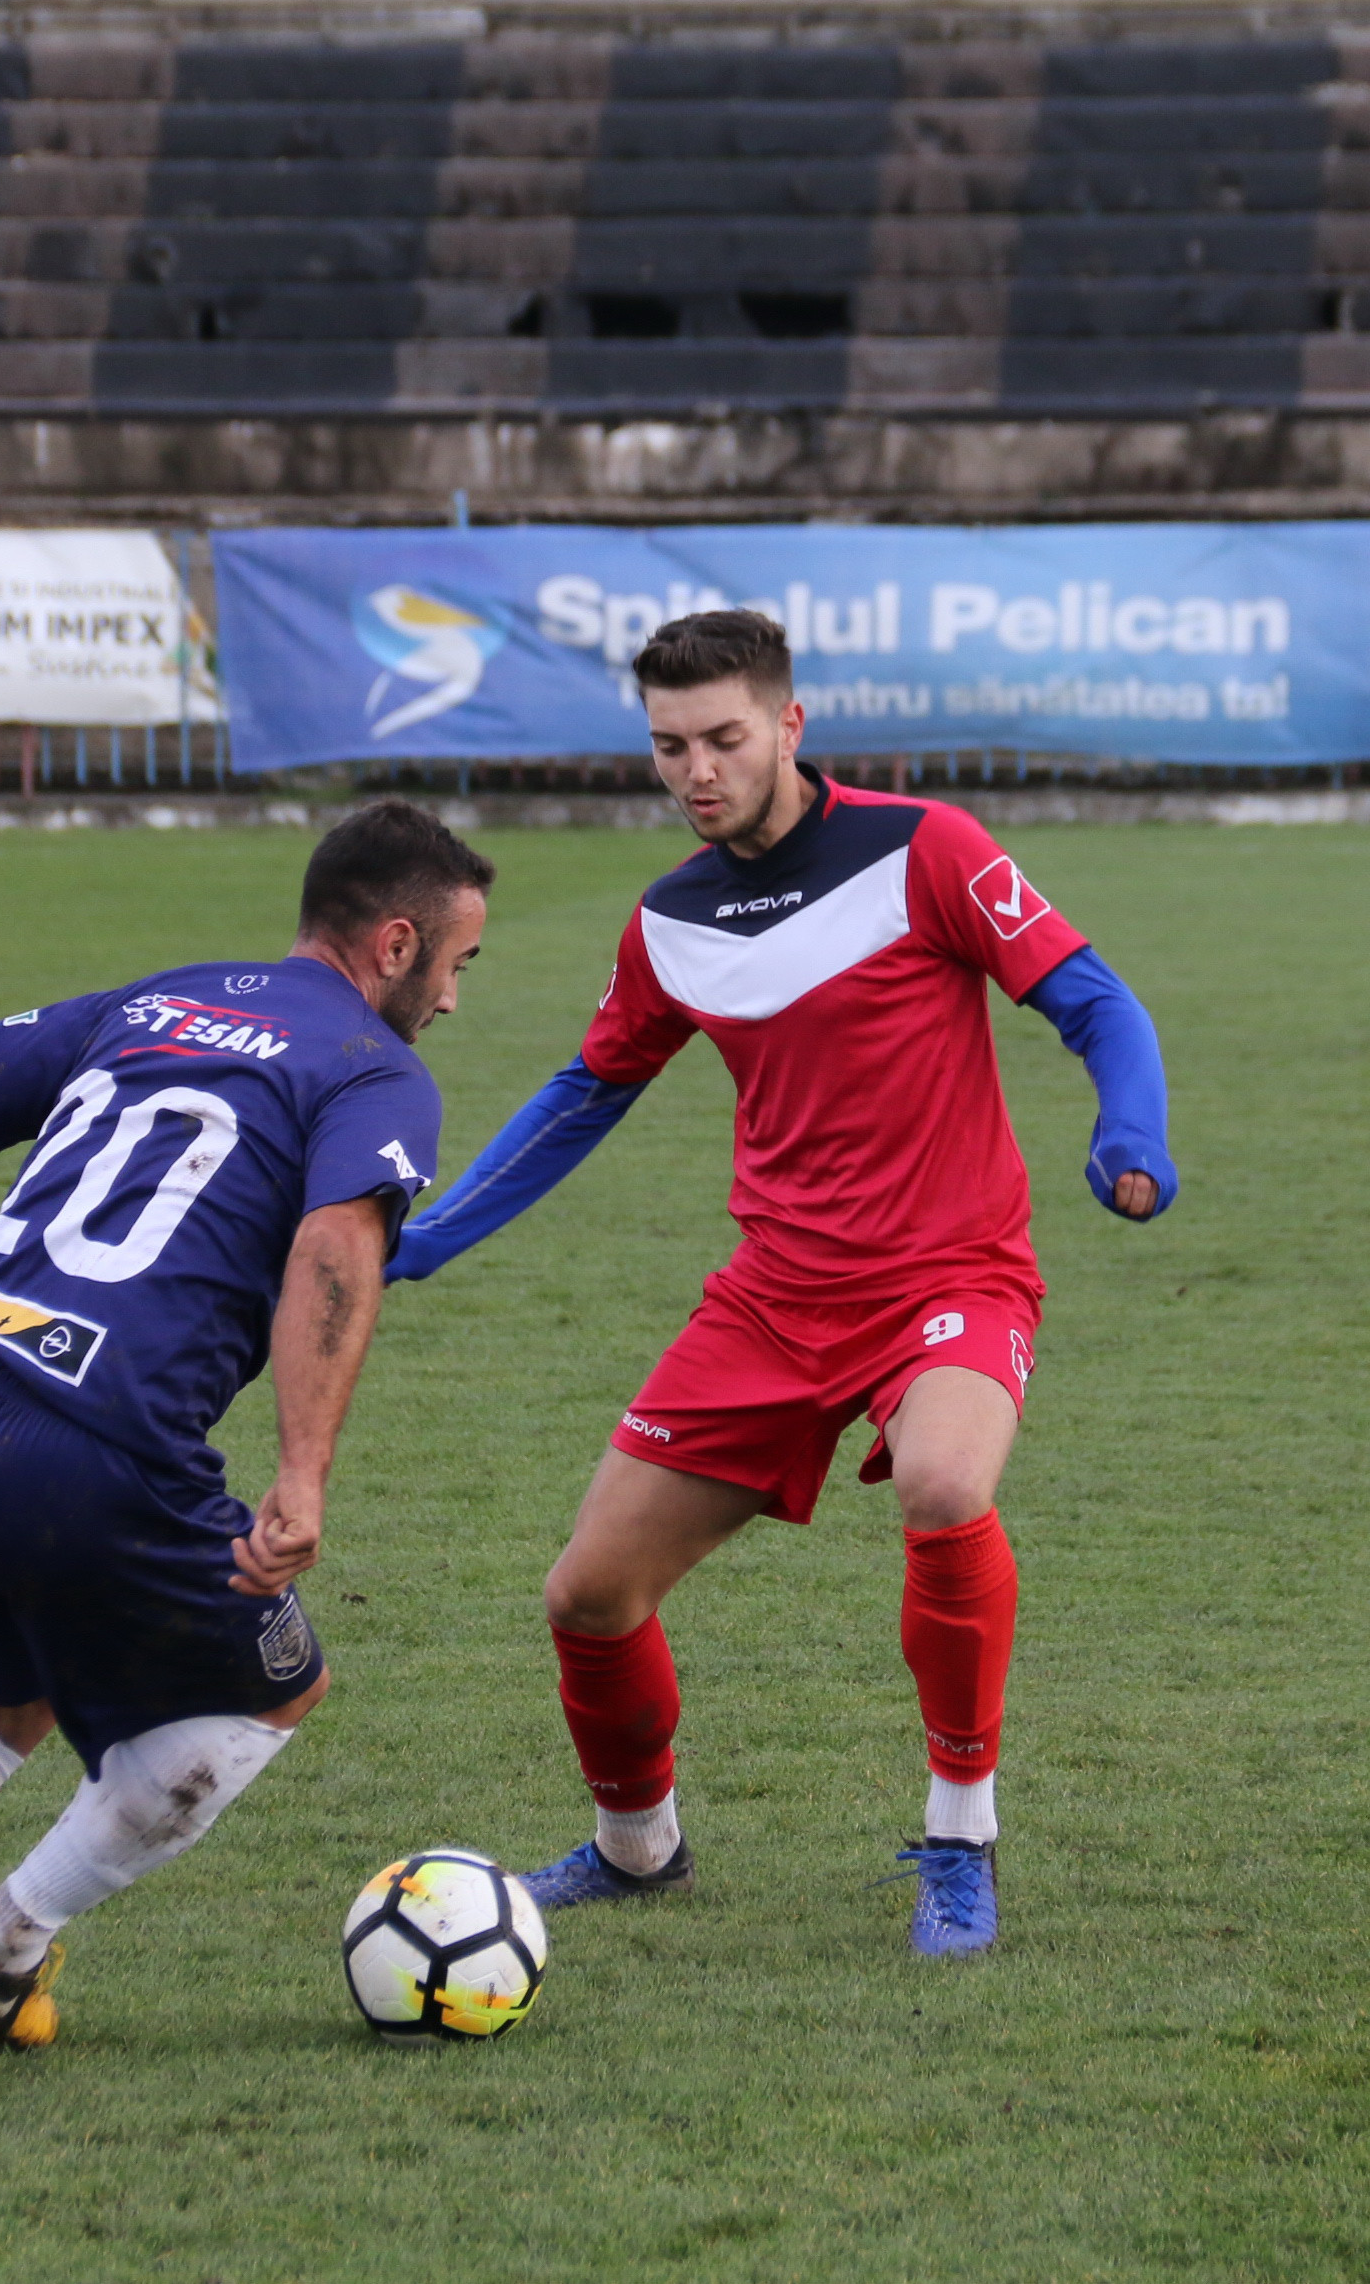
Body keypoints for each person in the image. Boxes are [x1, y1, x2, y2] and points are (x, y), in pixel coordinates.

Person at [389, 608, 1175, 1960]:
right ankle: (638, 1850)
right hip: (773, 1299)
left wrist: (1131, 1133)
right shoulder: (669, 921)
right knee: (588, 1595)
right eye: (669, 746)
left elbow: (1096, 999)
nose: (697, 771)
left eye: (725, 738)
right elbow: (584, 1095)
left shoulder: (927, 849)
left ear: (790, 726)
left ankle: (961, 1837)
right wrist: (429, 1235)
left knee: (945, 1484)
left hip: (952, 1272)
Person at [0, 802, 492, 2064]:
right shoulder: (375, 1070)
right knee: (277, 1684)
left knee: (8, 1691)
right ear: (396, 943)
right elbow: (334, 1248)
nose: (454, 999)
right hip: (89, 1436)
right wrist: (302, 1474)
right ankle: (4, 1936)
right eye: (458, 963)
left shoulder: (158, 997)